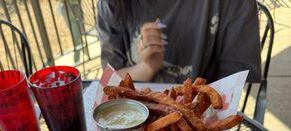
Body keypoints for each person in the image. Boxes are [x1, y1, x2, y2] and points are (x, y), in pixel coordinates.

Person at [97, 0, 261, 83]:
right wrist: (147, 68)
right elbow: (110, 79)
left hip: (204, 125)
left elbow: (233, 85)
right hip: (129, 120)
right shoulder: (114, 4)